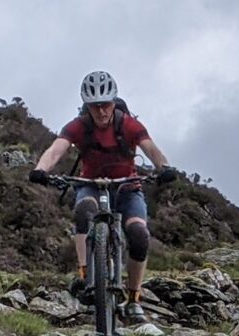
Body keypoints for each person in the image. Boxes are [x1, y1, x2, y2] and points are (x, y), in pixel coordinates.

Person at [29, 71, 177, 323]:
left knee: (139, 236)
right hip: (91, 184)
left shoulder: (128, 124)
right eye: (94, 106)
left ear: (114, 101)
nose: (101, 111)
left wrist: (164, 167)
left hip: (127, 187)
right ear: (86, 106)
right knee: (84, 209)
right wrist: (40, 170)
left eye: (105, 104)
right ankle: (86, 274)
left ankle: (133, 299)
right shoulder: (78, 127)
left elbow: (151, 149)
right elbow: (56, 150)